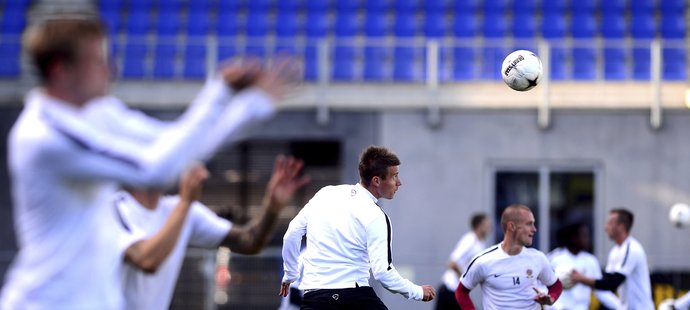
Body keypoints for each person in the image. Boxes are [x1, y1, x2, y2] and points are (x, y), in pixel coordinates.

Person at [1, 15, 293, 309]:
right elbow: (155, 170)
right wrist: (219, 96)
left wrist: (246, 104)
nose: (110, 69)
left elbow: (178, 144)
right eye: (97, 60)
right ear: (61, 71)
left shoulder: (98, 112)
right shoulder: (46, 135)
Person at [118, 155, 309, 310]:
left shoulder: (182, 210)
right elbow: (146, 260)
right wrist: (185, 202)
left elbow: (249, 241)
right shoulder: (111, 210)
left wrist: (272, 207)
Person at [280, 145, 436, 309]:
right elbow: (383, 274)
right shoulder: (376, 216)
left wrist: (290, 275)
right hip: (354, 297)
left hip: (315, 298)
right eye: (394, 176)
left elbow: (291, 234)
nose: (399, 182)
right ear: (376, 180)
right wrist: (418, 292)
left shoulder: (324, 194)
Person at [455, 204, 563, 310]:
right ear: (512, 226)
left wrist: (550, 299)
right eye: (529, 224)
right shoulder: (483, 261)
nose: (534, 229)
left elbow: (556, 285)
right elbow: (461, 292)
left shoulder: (538, 258)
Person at [570, 208, 654, 310]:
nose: (606, 228)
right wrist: (582, 277)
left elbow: (612, 282)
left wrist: (581, 278)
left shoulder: (632, 249)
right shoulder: (615, 251)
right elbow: (605, 280)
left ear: (621, 227)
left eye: (610, 223)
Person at [546, 223, 622, 310]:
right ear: (573, 238)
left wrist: (621, 307)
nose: (587, 239)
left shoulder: (591, 261)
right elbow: (543, 286)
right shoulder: (554, 258)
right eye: (584, 235)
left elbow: (600, 291)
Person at [435, 213, 490, 310]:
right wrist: (464, 281)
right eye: (486, 224)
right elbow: (452, 263)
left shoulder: (480, 244)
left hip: (456, 292)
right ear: (479, 226)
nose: (489, 227)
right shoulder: (470, 240)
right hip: (450, 291)